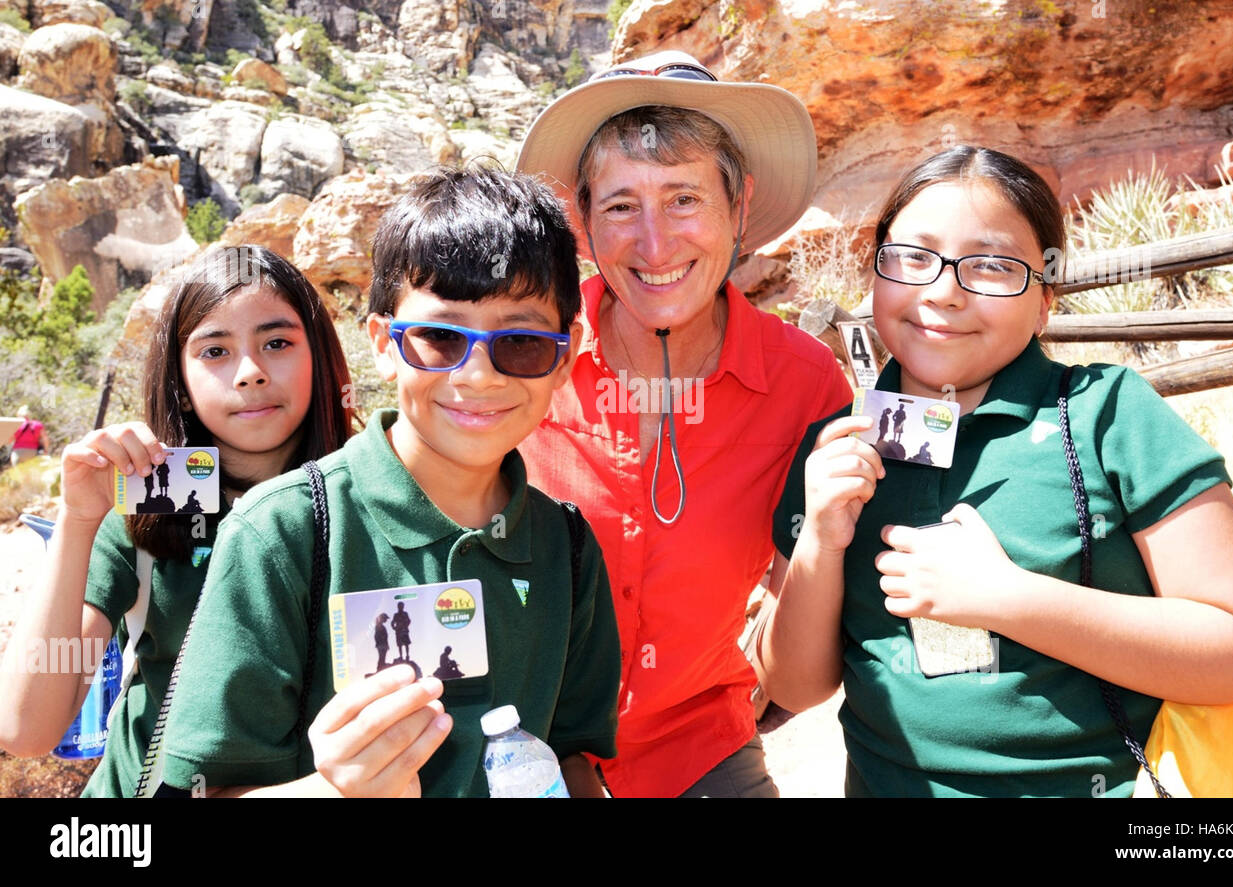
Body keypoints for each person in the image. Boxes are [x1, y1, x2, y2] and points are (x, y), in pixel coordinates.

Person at [757, 146, 1233, 797]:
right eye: (914, 257)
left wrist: (1007, 597)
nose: (943, 291)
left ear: (1045, 300)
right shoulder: (837, 448)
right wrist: (818, 538)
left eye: (990, 265)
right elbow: (792, 687)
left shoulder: (1107, 416)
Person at [157, 167, 621, 798]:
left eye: (520, 343)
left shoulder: (567, 546)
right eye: (438, 336)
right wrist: (338, 790)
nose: (479, 376)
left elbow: (573, 759)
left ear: (564, 358)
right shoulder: (282, 534)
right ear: (382, 342)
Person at [515, 50, 853, 796]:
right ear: (582, 219)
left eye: (684, 198)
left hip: (700, 749)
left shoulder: (803, 385)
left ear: (740, 204)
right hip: (522, 748)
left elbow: (804, 670)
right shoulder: (523, 353)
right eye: (621, 205)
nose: (656, 244)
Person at [0, 246, 355, 797]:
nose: (251, 374)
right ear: (180, 381)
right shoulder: (146, 516)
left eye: (278, 343)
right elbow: (26, 728)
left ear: (321, 358)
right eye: (215, 350)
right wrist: (77, 520)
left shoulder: (367, 502)